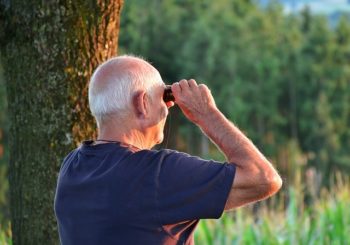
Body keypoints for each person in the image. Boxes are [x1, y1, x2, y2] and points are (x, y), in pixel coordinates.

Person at [54, 55, 282, 245]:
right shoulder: (157, 175)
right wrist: (206, 114)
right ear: (142, 104)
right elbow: (263, 178)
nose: (167, 108)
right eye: (163, 97)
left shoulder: (72, 168)